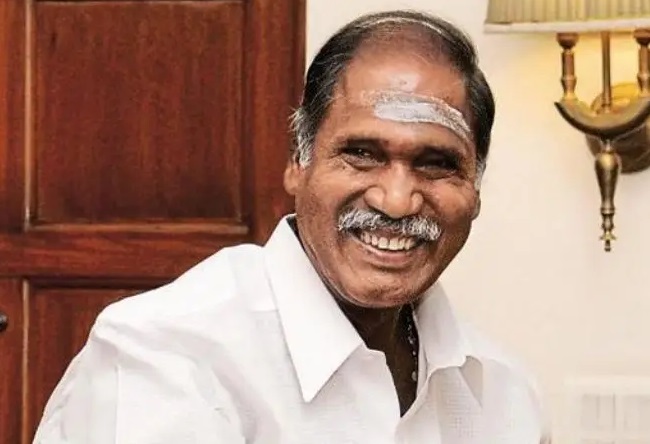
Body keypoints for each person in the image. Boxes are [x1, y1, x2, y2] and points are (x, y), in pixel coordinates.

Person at [34, 10, 551, 444]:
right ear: (298, 164)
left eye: (437, 163)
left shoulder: (504, 393)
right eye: (361, 154)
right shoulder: (165, 356)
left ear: (475, 190)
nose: (396, 201)